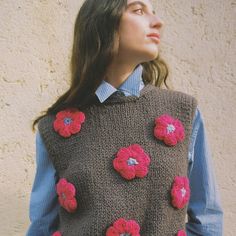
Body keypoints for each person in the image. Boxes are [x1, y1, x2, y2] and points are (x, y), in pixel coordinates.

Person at [26, 0, 223, 235]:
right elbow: (42, 226)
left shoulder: (182, 113)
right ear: (102, 22)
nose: (158, 22)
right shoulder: (58, 128)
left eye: (154, 13)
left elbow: (206, 220)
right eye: (139, 10)